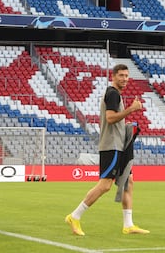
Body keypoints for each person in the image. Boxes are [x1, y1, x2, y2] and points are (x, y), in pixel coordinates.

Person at [65, 64, 150, 236]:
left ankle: (128, 224)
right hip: (111, 146)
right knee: (105, 185)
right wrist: (131, 110)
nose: (125, 79)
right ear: (113, 76)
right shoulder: (112, 93)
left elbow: (114, 120)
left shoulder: (116, 94)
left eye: (126, 75)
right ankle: (75, 216)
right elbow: (110, 118)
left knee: (128, 181)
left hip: (119, 144)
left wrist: (127, 127)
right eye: (121, 75)